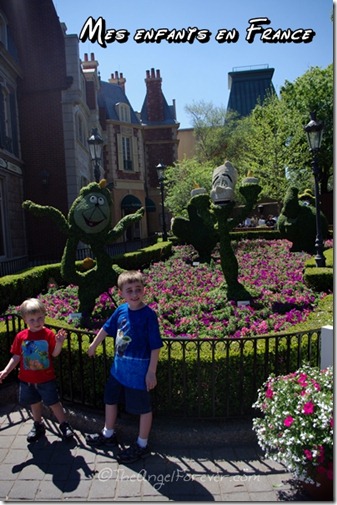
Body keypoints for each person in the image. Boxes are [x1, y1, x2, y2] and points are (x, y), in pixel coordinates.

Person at [86, 270, 163, 464]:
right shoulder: (120, 310)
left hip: (138, 373)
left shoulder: (148, 315)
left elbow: (155, 346)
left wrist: (151, 372)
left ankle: (142, 445)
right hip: (118, 370)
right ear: (121, 293)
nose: (135, 293)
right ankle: (108, 433)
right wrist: (94, 345)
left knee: (143, 408)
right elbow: (107, 328)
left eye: (138, 289)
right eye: (129, 290)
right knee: (110, 400)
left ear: (144, 290)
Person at [0, 298, 74, 442]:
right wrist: (6, 370)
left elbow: (54, 354)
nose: (37, 322)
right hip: (27, 380)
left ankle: (64, 424)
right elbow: (16, 356)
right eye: (32, 319)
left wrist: (59, 343)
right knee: (34, 402)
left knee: (53, 402)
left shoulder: (48, 334)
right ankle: (38, 424)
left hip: (46, 378)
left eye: (40, 318)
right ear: (25, 320)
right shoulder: (21, 336)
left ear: (44, 316)